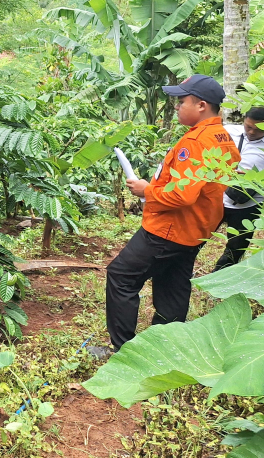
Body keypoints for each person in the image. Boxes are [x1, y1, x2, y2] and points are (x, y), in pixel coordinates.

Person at [92, 75, 240, 357]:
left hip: (168, 228)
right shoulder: (223, 138)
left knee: (121, 277)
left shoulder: (195, 142)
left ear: (201, 105)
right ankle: (167, 350)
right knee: (173, 282)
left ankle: (122, 351)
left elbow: (183, 195)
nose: (176, 107)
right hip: (195, 230)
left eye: (181, 101)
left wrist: (148, 190)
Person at [214, 105, 264, 270]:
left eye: (257, 129)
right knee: (198, 235)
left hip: (249, 204)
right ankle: (183, 268)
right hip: (218, 197)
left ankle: (220, 276)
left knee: (236, 246)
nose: (251, 132)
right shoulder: (228, 132)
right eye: (248, 127)